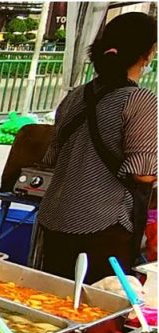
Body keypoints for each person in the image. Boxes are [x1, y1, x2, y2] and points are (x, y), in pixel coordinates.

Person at [39, 12, 157, 284]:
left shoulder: (75, 95)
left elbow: (52, 157)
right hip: (103, 226)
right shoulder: (140, 100)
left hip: (55, 217)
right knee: (96, 303)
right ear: (148, 53)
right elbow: (143, 175)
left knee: (52, 297)